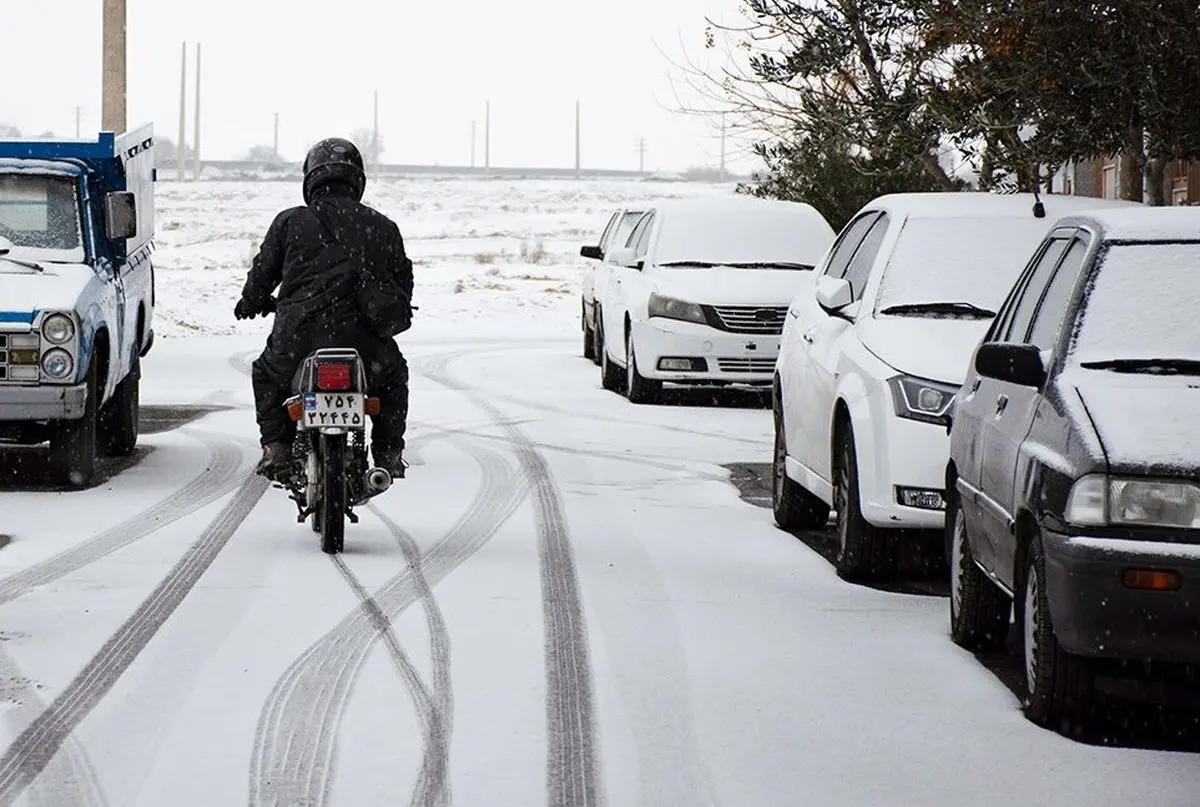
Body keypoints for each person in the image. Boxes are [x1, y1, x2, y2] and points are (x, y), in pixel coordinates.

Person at [234, 137, 412, 481]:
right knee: (394, 377)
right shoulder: (383, 226)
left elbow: (262, 275)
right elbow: (402, 285)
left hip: (296, 340)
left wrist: (251, 302)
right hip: (365, 345)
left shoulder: (290, 222)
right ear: (357, 179)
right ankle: (389, 454)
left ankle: (277, 449)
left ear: (311, 178)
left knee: (266, 374)